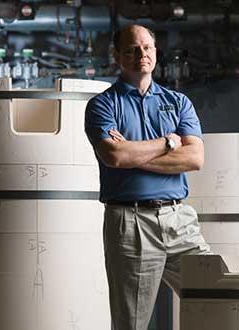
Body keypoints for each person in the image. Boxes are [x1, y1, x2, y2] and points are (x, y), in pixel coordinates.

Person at [84, 24, 211, 330]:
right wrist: (167, 143)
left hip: (179, 219)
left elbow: (194, 158)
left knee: (218, 293)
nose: (142, 54)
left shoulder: (178, 102)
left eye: (147, 48)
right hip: (131, 223)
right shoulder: (102, 105)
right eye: (131, 49)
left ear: (156, 52)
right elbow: (114, 156)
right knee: (133, 324)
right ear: (117, 56)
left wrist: (132, 153)